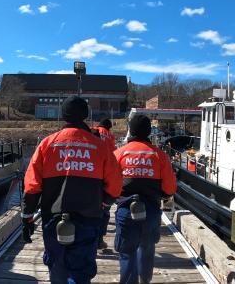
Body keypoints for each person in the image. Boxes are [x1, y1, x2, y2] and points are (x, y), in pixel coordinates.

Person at [22, 96, 123, 284]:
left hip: (53, 218)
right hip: (89, 218)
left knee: (56, 268)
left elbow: (32, 185)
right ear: (85, 115)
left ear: (63, 115)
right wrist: (104, 203)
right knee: (80, 271)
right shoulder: (100, 147)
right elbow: (116, 184)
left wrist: (27, 217)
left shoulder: (46, 144)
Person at [113, 114, 177, 284]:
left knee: (127, 251)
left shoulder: (118, 154)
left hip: (126, 211)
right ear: (149, 131)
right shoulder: (160, 156)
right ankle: (145, 280)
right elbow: (170, 188)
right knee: (147, 248)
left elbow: (109, 184)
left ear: (130, 130)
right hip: (151, 211)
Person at [92, 118, 116, 249]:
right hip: (104, 170)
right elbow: (113, 153)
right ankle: (100, 239)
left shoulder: (92, 130)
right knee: (104, 208)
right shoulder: (110, 136)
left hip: (89, 170)